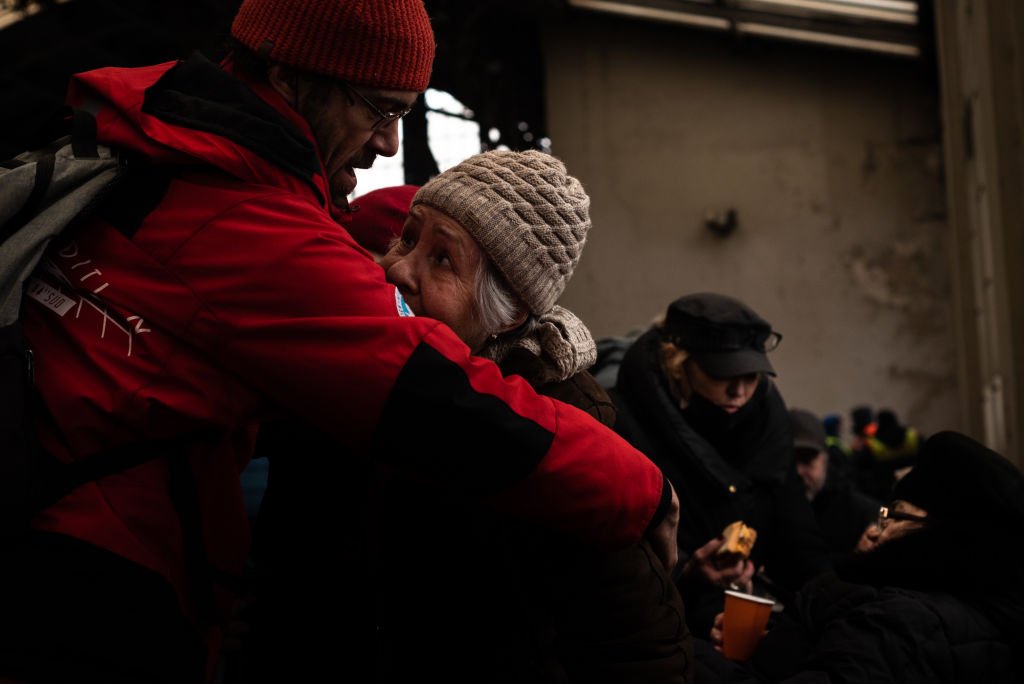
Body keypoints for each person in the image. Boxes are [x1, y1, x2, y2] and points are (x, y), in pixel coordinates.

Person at [7, 2, 679, 682]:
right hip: (87, 591)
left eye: (443, 259)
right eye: (378, 108)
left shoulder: (164, 147)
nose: (389, 143)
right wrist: (641, 487)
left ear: (512, 315)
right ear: (290, 77)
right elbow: (438, 398)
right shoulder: (244, 217)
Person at [373, 149, 692, 683]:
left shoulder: (565, 418)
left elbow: (639, 648)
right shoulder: (375, 374)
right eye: (408, 238)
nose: (398, 268)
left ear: (510, 312)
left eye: (443, 260)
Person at [703, 430, 1024, 683]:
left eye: (894, 516)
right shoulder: (970, 609)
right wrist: (776, 642)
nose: (873, 530)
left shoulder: (900, 623)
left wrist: (684, 653)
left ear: (940, 534)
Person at [610, 293, 831, 638]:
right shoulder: (629, 421)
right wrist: (690, 577)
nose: (739, 391)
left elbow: (798, 533)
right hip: (673, 615)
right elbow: (629, 560)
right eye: (722, 373)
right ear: (678, 363)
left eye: (752, 375)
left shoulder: (768, 420)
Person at [790, 408, 878, 560]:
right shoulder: (764, 509)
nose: (798, 471)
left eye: (807, 460)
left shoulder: (864, 517)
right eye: (790, 461)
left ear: (825, 460)